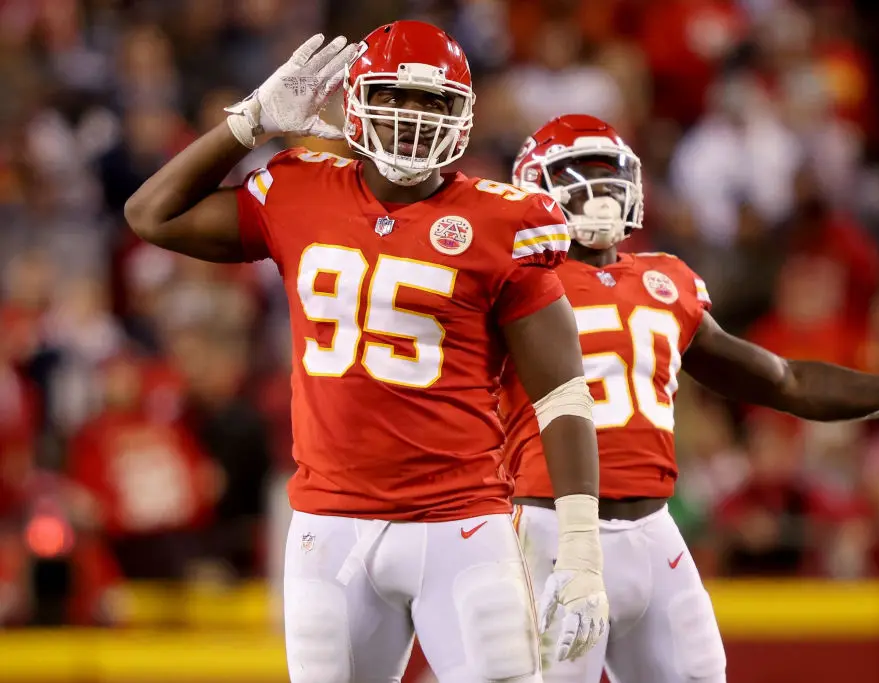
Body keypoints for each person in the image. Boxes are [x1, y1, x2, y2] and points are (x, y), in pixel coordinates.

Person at [124, 23, 610, 683]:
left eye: (432, 103)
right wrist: (250, 123)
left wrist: (582, 549)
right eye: (396, 96)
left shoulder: (505, 220)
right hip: (332, 523)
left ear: (462, 115)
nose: (412, 117)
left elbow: (563, 394)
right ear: (354, 99)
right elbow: (150, 213)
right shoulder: (298, 188)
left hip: (460, 522)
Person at [500, 113, 879, 683]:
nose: (599, 190)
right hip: (551, 527)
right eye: (577, 174)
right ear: (533, 188)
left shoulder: (666, 283)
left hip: (654, 528)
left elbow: (783, 380)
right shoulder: (511, 281)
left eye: (608, 173)